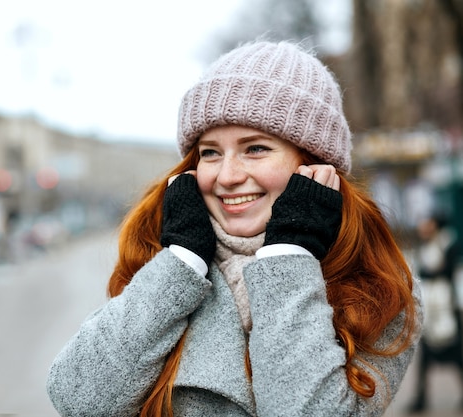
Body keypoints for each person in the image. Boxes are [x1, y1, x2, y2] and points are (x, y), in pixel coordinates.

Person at [46, 40, 422, 416]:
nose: (226, 176)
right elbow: (77, 400)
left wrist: (288, 254)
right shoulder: (160, 258)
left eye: (255, 148)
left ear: (315, 166)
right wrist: (181, 260)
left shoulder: (378, 288)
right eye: (210, 152)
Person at [409, 213, 461, 413]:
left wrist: (430, 272)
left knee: (458, 357)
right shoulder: (425, 245)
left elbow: (445, 270)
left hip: (447, 308)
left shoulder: (448, 245)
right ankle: (421, 398)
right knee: (425, 358)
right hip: (430, 309)